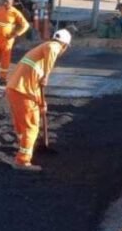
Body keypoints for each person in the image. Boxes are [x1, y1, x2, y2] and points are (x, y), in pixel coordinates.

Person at [5, 29, 72, 171]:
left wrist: (42, 103)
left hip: (15, 89)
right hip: (23, 92)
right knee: (32, 127)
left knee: (22, 123)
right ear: (64, 45)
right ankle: (22, 161)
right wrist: (47, 75)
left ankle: (25, 145)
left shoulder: (38, 55)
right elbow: (51, 48)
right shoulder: (53, 46)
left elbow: (34, 82)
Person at [0, 0, 30, 83]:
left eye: (7, 1)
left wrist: (15, 34)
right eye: (4, 1)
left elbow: (25, 25)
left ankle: (2, 78)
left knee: (5, 60)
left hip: (7, 40)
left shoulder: (15, 12)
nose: (5, 3)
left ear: (12, 2)